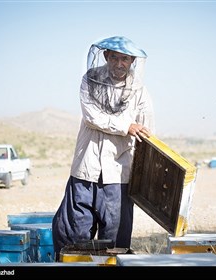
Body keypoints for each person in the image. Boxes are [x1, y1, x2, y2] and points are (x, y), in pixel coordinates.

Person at [51, 36, 155, 261]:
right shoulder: (90, 80)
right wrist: (126, 126)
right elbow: (92, 117)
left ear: (132, 61)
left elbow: (146, 133)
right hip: (85, 171)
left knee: (115, 242)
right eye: (115, 57)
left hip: (118, 176)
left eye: (125, 59)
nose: (120, 63)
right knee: (71, 235)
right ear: (106, 56)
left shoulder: (140, 92)